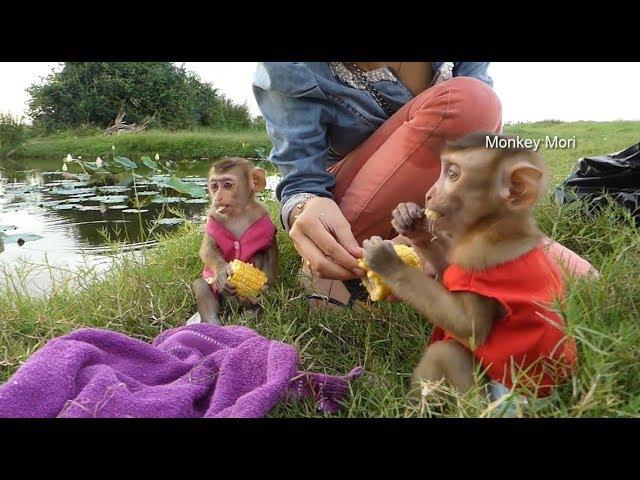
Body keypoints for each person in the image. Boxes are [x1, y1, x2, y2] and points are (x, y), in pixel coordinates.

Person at [252, 62, 596, 308]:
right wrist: (304, 208)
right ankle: (339, 267)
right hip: (352, 200)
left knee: (583, 281)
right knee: (466, 101)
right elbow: (301, 174)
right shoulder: (291, 67)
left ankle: (427, 247)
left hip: (439, 200)